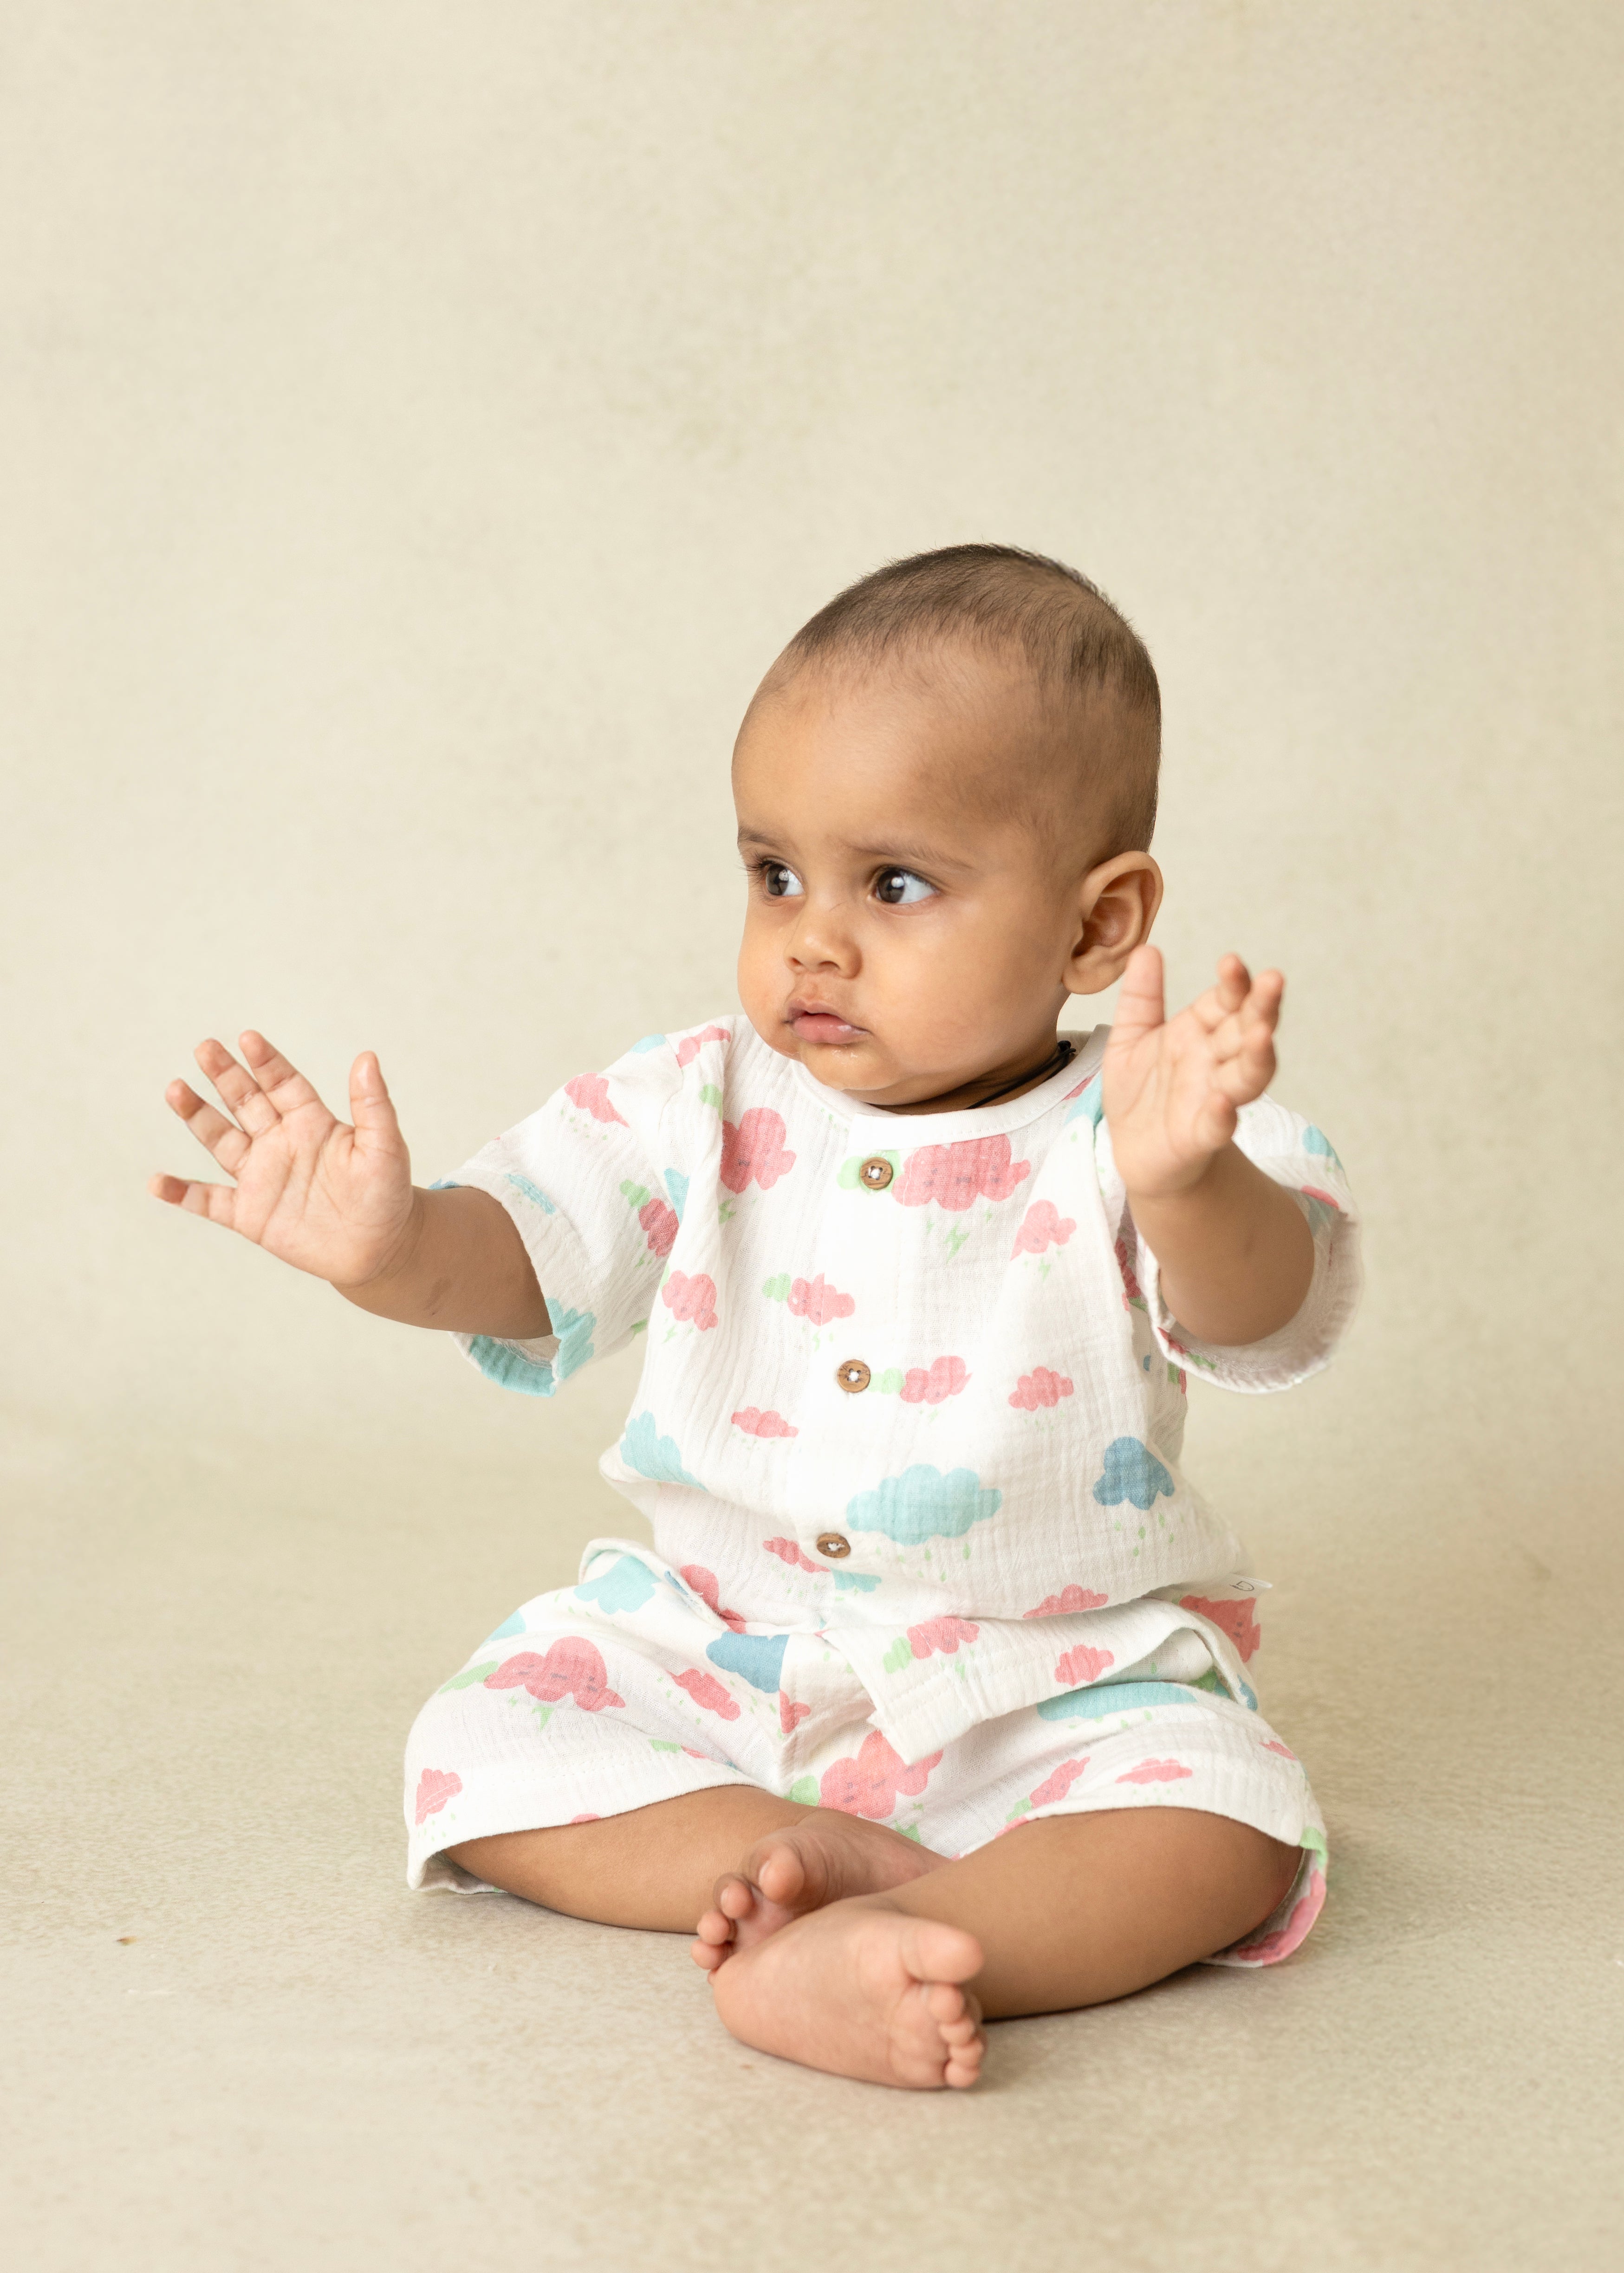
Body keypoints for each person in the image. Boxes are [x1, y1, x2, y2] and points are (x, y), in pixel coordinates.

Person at [152, 544, 1358, 2090]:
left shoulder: (1142, 1125)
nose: (811, 938)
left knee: (1226, 1824)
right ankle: (803, 1860)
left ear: (1093, 927)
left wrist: (1182, 1181)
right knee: (482, 1747)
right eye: (773, 871)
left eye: (895, 883)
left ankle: (904, 1936)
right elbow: (525, 1256)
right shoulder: (694, 1095)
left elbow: (1264, 1313)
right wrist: (390, 1247)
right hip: (725, 1661)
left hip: (1045, 1685)